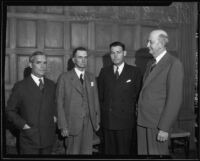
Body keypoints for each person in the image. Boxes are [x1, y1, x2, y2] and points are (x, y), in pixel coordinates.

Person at [137, 29, 184, 155]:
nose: (147, 45)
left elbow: (174, 99)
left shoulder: (174, 64)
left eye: (150, 42)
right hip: (142, 120)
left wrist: (164, 127)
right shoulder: (150, 63)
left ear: (160, 43)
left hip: (157, 124)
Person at [6, 51, 57, 154]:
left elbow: (55, 105)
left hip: (48, 139)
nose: (42, 66)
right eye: (38, 62)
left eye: (45, 63)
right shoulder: (20, 86)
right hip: (29, 140)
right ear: (30, 65)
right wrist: (24, 125)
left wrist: (55, 116)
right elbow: (10, 111)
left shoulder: (51, 85)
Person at [98, 41, 142, 155]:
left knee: (124, 152)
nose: (115, 55)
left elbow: (138, 97)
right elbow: (100, 96)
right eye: (112, 53)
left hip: (126, 122)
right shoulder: (104, 72)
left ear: (124, 53)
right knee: (109, 152)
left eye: (118, 52)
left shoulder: (135, 72)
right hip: (108, 121)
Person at [56, 47, 100, 154]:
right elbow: (59, 103)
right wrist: (63, 125)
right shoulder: (64, 77)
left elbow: (95, 100)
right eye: (80, 57)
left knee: (87, 153)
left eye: (85, 57)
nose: (83, 60)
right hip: (72, 124)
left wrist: (97, 120)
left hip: (89, 123)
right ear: (73, 60)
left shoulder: (91, 77)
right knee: (73, 153)